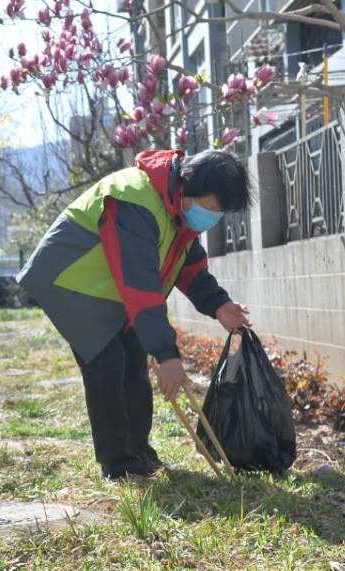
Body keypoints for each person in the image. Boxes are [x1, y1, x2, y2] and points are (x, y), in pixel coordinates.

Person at [17, 149, 253, 480]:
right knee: (108, 364)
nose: (211, 217)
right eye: (211, 208)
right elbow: (140, 283)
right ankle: (119, 464)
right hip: (70, 282)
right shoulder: (135, 200)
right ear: (187, 188)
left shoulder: (178, 213)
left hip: (109, 288)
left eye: (218, 212)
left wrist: (220, 305)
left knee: (133, 367)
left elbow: (189, 268)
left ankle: (138, 452)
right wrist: (166, 353)